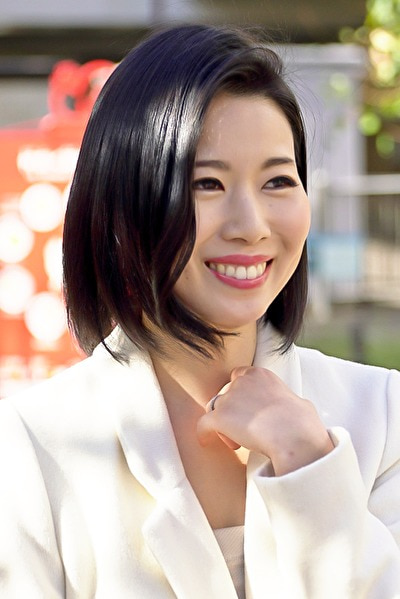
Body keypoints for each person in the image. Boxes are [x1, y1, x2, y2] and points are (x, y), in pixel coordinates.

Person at [0, 24, 399, 599]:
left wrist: (309, 462)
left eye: (277, 181)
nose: (251, 226)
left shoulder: (382, 416)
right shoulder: (33, 446)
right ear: (123, 201)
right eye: (207, 183)